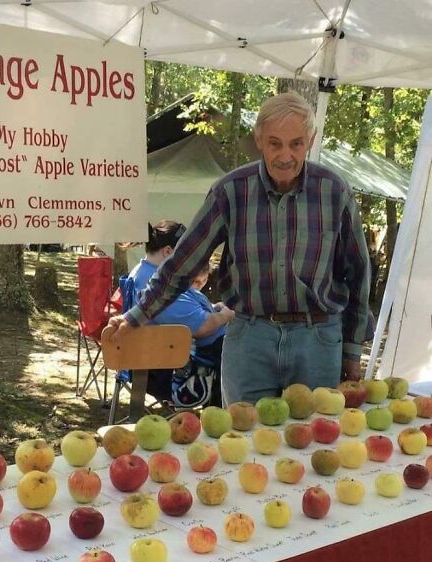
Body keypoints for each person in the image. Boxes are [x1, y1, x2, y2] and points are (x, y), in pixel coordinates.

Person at [107, 92, 373, 406]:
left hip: (317, 340)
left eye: (296, 144)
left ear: (311, 140)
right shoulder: (231, 192)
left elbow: (358, 273)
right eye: (275, 143)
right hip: (249, 338)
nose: (285, 155)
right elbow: (182, 264)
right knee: (242, 444)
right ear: (259, 139)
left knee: (314, 445)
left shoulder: (334, 191)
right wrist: (136, 316)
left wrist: (353, 350)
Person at [126, 220, 234, 407]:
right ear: (168, 252)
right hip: (178, 364)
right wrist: (228, 313)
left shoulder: (147, 272)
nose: (191, 261)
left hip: (179, 354)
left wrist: (215, 309)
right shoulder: (153, 282)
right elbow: (202, 326)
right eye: (186, 255)